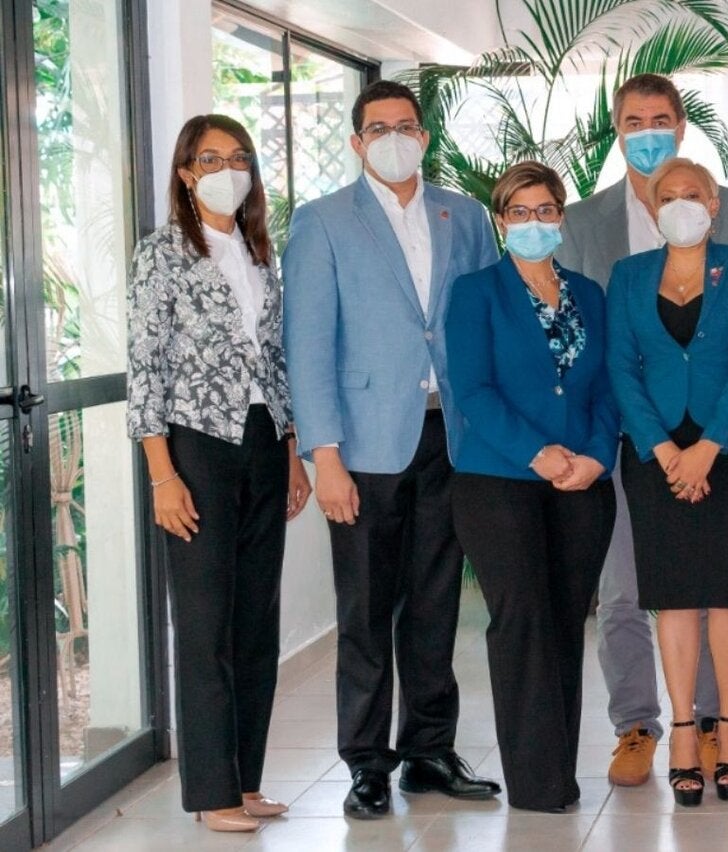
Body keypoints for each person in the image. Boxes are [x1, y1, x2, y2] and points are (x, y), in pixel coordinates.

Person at [283, 79, 501, 819]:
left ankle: (430, 752)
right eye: (378, 128)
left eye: (406, 126)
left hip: (450, 436)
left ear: (425, 136)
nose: (394, 138)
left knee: (437, 605)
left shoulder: (463, 215)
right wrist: (325, 456)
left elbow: (481, 320)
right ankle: (367, 763)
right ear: (356, 142)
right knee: (368, 612)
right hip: (364, 446)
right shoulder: (322, 222)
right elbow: (307, 345)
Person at [556, 72, 728, 788]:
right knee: (624, 589)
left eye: (660, 120)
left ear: (680, 127)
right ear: (617, 131)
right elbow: (583, 334)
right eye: (633, 121)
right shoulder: (583, 221)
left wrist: (705, 446)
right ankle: (637, 725)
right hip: (624, 435)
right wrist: (656, 446)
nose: (648, 133)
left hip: (722, 437)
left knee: (707, 586)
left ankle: (706, 720)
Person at [127, 114, 310, 832]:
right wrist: (161, 474)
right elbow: (146, 367)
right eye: (210, 159)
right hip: (195, 446)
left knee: (255, 620)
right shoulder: (162, 252)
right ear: (185, 173)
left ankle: (246, 780)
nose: (227, 171)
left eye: (239, 158)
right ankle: (211, 792)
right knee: (205, 626)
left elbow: (276, 360)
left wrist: (291, 453)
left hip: (262, 441)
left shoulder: (261, 251)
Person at [445, 162, 618, 812]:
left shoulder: (588, 294)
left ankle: (559, 772)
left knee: (566, 623)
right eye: (519, 212)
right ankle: (535, 782)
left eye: (545, 210)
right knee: (522, 623)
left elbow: (606, 387)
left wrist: (596, 456)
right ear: (500, 221)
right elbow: (473, 391)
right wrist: (536, 453)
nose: (533, 222)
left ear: (561, 217)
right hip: (500, 483)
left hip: (582, 485)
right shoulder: (476, 293)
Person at [605, 158, 728, 807]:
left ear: (714, 203)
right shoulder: (628, 275)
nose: (681, 204)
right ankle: (681, 730)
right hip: (655, 458)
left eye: (694, 194)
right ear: (652, 209)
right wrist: (664, 450)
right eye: (668, 196)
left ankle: (726, 725)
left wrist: (707, 448)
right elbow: (622, 368)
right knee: (673, 599)